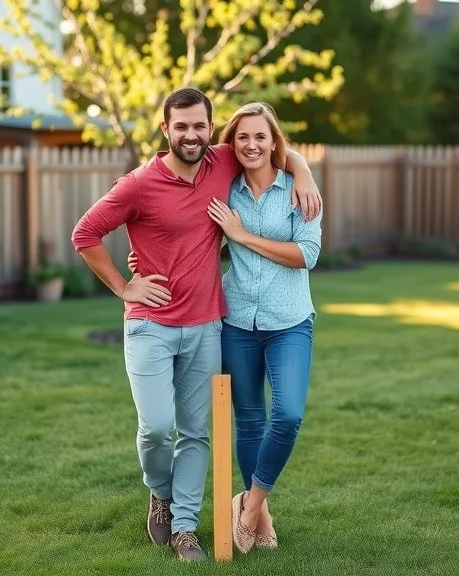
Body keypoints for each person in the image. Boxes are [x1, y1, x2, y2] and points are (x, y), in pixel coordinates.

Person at [70, 87, 322, 563]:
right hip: (152, 324)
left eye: (199, 126)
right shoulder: (139, 183)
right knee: (157, 429)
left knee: (198, 433)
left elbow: (270, 148)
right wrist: (125, 286)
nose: (191, 134)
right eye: (181, 126)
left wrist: (304, 171)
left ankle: (187, 528)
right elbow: (85, 233)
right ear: (165, 130)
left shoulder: (221, 163)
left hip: (208, 322)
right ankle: (159, 492)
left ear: (210, 130)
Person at [205, 102, 322, 554]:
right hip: (235, 319)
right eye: (243, 137)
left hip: (289, 320)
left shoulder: (300, 191)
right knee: (250, 419)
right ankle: (263, 514)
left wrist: (243, 236)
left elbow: (306, 255)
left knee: (288, 415)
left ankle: (249, 507)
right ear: (232, 143)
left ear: (275, 142)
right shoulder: (223, 188)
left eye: (261, 136)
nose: (252, 145)